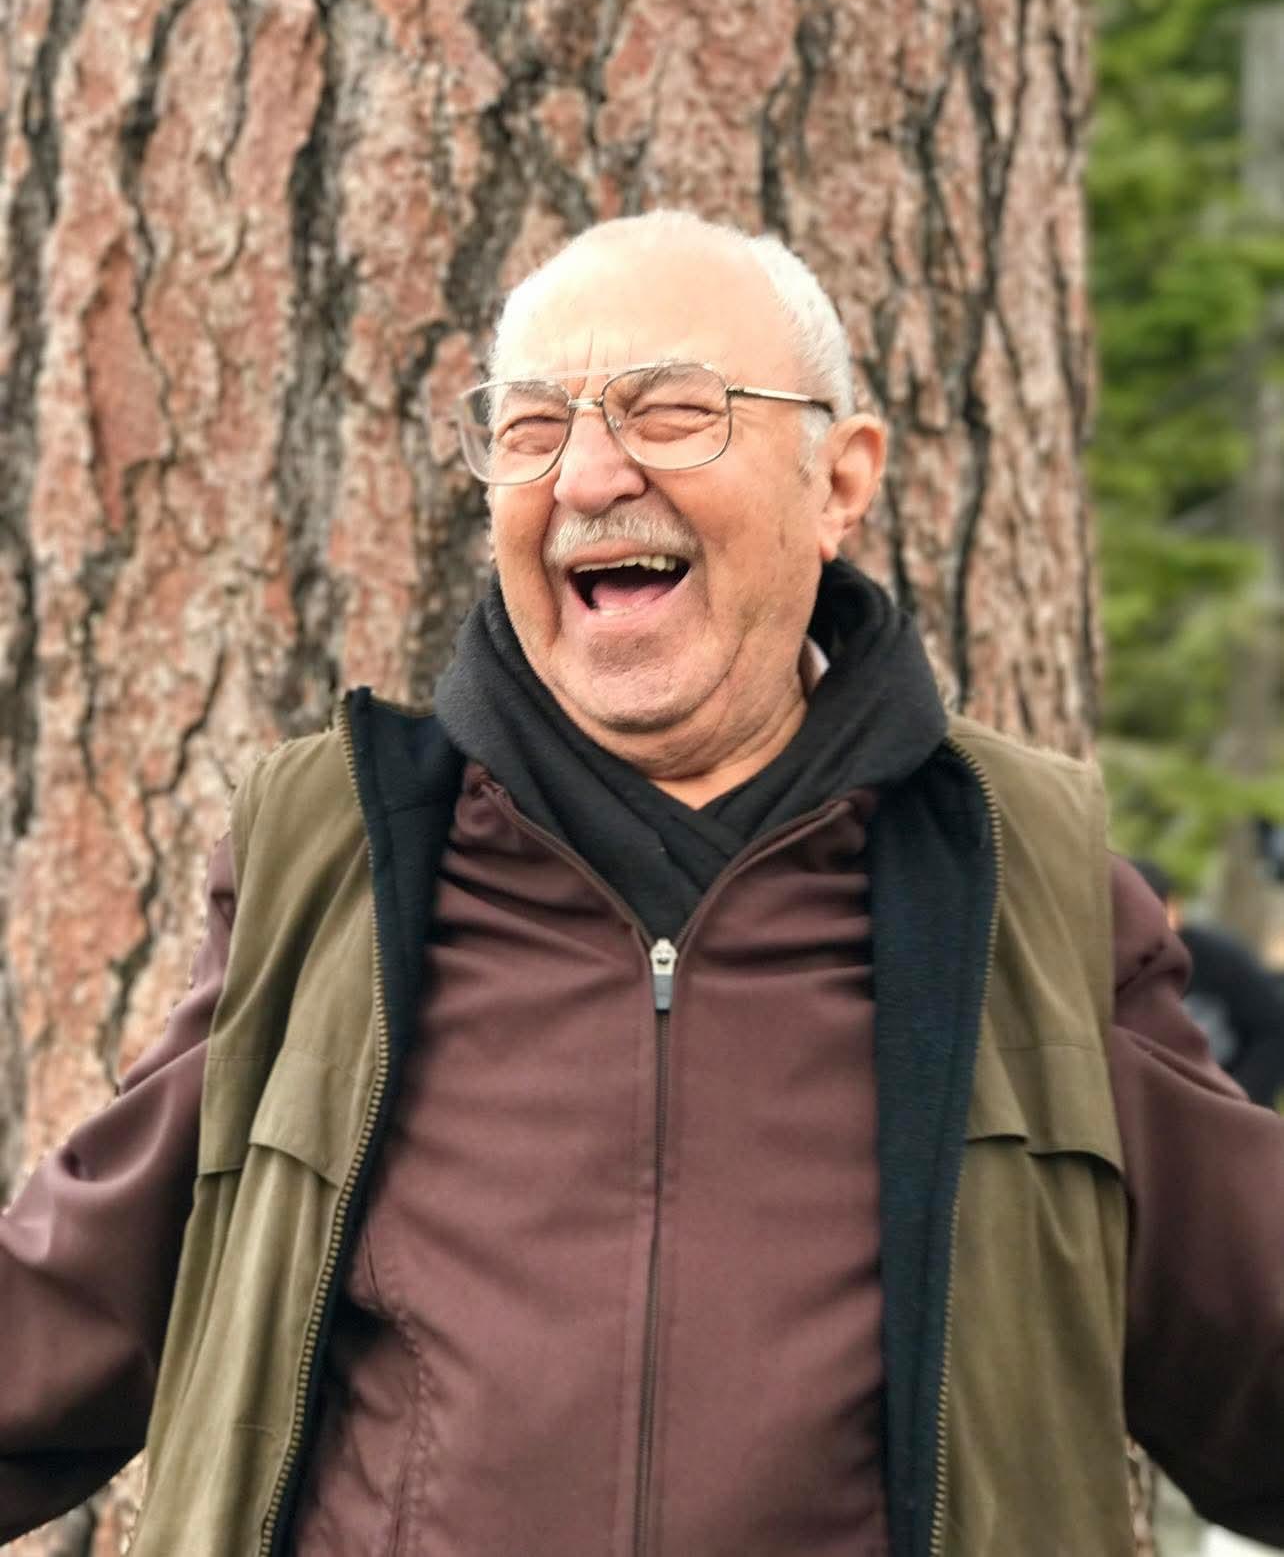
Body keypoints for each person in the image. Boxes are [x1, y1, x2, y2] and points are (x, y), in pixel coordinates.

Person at [3, 212, 1283, 1557]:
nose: (590, 472)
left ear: (840, 480)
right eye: (531, 427)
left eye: (673, 411)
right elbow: (67, 1310)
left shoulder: (1022, 882)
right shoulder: (340, 853)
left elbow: (1252, 1343)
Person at [1131, 858, 1284, 1111]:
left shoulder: (1219, 959)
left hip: (1233, 1104)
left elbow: (1273, 1030)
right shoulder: (1118, 970)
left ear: (1174, 909)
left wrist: (1240, 1099)